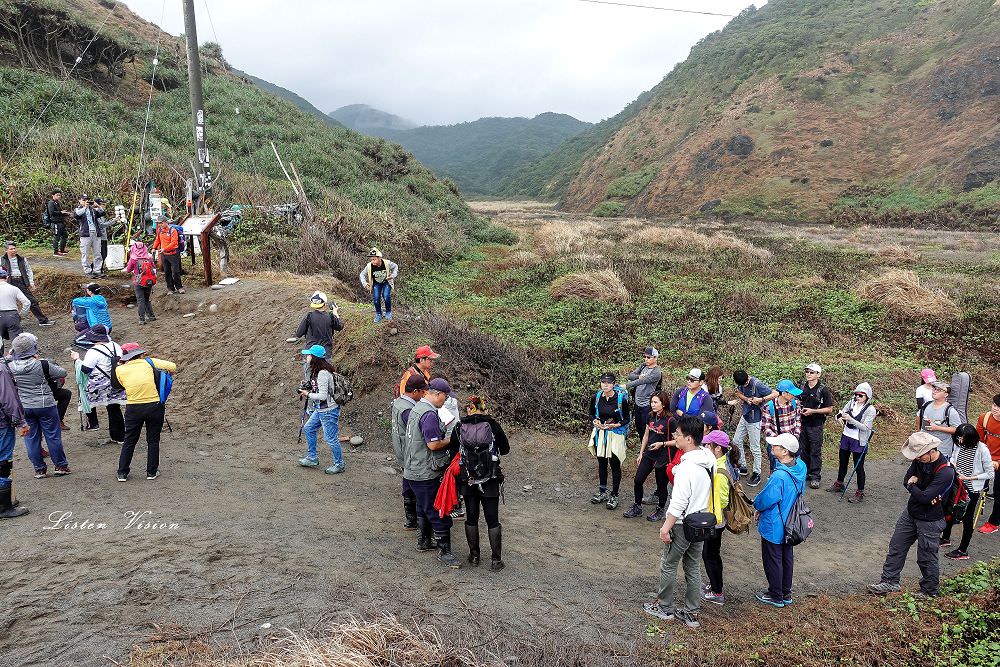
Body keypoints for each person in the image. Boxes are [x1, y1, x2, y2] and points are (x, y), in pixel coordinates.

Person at [642, 415, 715, 629]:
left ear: (690, 439)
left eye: (678, 435)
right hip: (701, 521)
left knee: (669, 564)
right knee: (693, 566)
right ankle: (691, 612)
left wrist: (666, 528)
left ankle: (664, 608)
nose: (675, 437)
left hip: (683, 523)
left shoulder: (687, 468)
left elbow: (678, 503)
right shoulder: (707, 458)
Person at [869, 432, 956, 597]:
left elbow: (924, 497)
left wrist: (912, 486)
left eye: (919, 455)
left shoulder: (946, 472)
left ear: (931, 451)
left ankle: (930, 591)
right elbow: (906, 479)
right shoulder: (919, 461)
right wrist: (913, 486)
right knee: (896, 546)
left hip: (930, 520)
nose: (916, 458)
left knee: (927, 556)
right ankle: (889, 582)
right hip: (910, 513)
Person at [402, 377, 461, 568]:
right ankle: (445, 551)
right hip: (424, 470)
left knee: (423, 506)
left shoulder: (417, 408)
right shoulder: (428, 414)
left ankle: (424, 541)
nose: (446, 401)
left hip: (412, 468)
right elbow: (433, 444)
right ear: (438, 394)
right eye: (445, 397)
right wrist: (452, 439)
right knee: (438, 509)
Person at [450, 395, 510, 570]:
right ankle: (496, 561)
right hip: (490, 479)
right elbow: (505, 450)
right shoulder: (493, 426)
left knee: (471, 517)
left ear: (469, 409)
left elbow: (453, 450)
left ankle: (474, 556)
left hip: (468, 480)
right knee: (493, 520)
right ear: (485, 409)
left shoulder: (460, 426)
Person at [753, 432, 806, 607]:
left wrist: (757, 507)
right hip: (792, 522)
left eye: (776, 446)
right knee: (786, 557)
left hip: (775, 524)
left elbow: (766, 499)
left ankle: (775, 595)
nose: (772, 447)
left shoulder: (779, 477)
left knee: (772, 559)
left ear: (785, 452)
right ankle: (786, 593)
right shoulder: (801, 467)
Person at [8, 333, 70, 478]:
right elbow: (63, 372)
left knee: (31, 439)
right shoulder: (42, 364)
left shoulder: (9, 367)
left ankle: (39, 469)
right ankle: (60, 466)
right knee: (53, 436)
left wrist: (10, 356)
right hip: (45, 404)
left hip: (25, 406)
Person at [114, 343, 176, 482]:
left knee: (129, 440)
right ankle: (151, 472)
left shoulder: (120, 369)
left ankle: (122, 472)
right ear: (140, 353)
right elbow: (172, 366)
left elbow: (120, 385)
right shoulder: (149, 362)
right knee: (153, 440)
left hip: (133, 408)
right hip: (154, 406)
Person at [940, 424, 993, 560]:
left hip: (971, 490)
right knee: (950, 510)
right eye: (958, 437)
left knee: (967, 518)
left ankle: (963, 550)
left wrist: (970, 478)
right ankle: (945, 538)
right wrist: (953, 464)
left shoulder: (982, 449)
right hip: (957, 485)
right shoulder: (959, 445)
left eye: (963, 438)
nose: (960, 440)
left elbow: (990, 473)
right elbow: (953, 457)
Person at [69, 325, 125, 444]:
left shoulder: (93, 351)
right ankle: (119, 437)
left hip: (99, 385)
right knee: (114, 409)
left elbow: (85, 370)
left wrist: (77, 359)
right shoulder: (116, 345)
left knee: (84, 396)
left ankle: (93, 423)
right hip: (116, 381)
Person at [296, 345, 345, 474]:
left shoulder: (322, 373)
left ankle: (339, 464)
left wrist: (307, 394)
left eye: (309, 355)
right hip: (321, 409)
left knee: (331, 439)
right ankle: (312, 457)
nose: (306, 357)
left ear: (314, 358)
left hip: (328, 410)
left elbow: (323, 396)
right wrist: (308, 389)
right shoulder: (318, 371)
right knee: (309, 428)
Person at [624, 391, 672, 522]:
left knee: (661, 485)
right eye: (652, 402)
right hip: (649, 454)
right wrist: (641, 453)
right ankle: (637, 507)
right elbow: (646, 435)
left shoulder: (670, 420)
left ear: (663, 403)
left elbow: (678, 441)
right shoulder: (650, 416)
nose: (653, 405)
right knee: (638, 480)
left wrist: (662, 444)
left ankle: (661, 509)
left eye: (656, 402)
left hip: (663, 456)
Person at [588, 372, 631, 510]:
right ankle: (603, 491)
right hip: (601, 433)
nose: (605, 385)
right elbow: (591, 413)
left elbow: (626, 419)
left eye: (608, 383)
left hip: (615, 434)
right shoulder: (596, 397)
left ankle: (614, 495)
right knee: (601, 462)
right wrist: (595, 421)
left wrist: (616, 425)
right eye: (603, 382)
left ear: (613, 384)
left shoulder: (620, 399)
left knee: (614, 464)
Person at [827, 383, 876, 503]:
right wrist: (838, 417)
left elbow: (865, 427)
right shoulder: (851, 402)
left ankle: (860, 492)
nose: (857, 397)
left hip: (859, 440)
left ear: (867, 397)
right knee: (842, 462)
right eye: (856, 394)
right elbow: (841, 413)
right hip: (846, 437)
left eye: (861, 395)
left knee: (858, 467)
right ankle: (839, 483)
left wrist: (850, 419)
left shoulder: (870, 409)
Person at [728, 370, 778, 487]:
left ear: (747, 378)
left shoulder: (757, 384)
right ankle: (743, 466)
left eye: (745, 384)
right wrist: (746, 399)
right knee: (736, 441)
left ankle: (757, 473)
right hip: (745, 416)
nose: (744, 386)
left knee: (754, 447)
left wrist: (760, 400)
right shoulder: (740, 382)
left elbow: (775, 393)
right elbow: (738, 393)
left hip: (755, 419)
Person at [392, 374, 428, 532]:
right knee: (414, 486)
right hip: (409, 451)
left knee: (407, 482)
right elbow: (416, 429)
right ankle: (414, 520)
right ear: (415, 391)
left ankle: (410, 520)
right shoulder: (408, 409)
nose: (424, 395)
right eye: (422, 392)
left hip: (401, 449)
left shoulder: (398, 403)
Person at [701, 429, 733, 605]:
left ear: (718, 448)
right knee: (713, 554)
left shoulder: (719, 472)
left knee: (709, 555)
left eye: (708, 445)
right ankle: (716, 585)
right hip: (716, 521)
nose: (705, 447)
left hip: (715, 521)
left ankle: (717, 592)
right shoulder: (719, 464)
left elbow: (721, 500)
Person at [0, 355, 30, 519]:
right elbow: (8, 399)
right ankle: (4, 507)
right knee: (3, 463)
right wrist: (20, 422)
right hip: (1, 424)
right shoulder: (1, 370)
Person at [798, 363, 834, 489]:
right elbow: (797, 399)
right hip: (802, 423)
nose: (808, 374)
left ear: (818, 374)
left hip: (816, 424)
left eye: (811, 372)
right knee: (803, 450)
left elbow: (829, 409)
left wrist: (813, 411)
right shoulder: (802, 386)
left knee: (815, 451)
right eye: (807, 371)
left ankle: (815, 476)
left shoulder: (823, 389)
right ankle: (806, 473)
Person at [290, 291, 343, 376]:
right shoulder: (330, 316)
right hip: (325, 354)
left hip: (310, 353)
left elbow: (299, 333)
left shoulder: (309, 316)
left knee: (309, 381)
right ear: (324, 304)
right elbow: (340, 326)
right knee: (325, 380)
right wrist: (335, 312)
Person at [2, 242, 52, 325]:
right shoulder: (2, 260)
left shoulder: (22, 259)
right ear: (6, 250)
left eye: (14, 248)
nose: (14, 250)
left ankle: (42, 320)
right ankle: (9, 323)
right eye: (11, 249)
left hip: (20, 281)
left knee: (32, 301)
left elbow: (29, 270)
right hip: (8, 282)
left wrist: (31, 282)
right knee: (8, 302)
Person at [761, 379, 802, 474]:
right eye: (792, 393)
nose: (794, 395)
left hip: (792, 442)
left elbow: (798, 421)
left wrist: (795, 437)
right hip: (776, 444)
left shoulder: (795, 403)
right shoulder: (769, 406)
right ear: (784, 393)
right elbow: (765, 427)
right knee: (776, 467)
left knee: (794, 466)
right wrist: (779, 440)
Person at [625, 348, 662, 444]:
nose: (646, 359)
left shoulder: (656, 372)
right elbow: (631, 376)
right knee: (639, 428)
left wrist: (626, 386)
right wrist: (638, 376)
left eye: (648, 357)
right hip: (638, 403)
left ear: (655, 358)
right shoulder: (643, 366)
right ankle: (643, 448)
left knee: (647, 428)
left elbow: (643, 381)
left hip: (647, 404)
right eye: (644, 357)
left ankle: (648, 449)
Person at [976, 395, 1000, 534]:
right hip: (986, 457)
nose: (995, 409)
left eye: (998, 407)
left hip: (998, 461)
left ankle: (994, 522)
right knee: (970, 484)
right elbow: (978, 441)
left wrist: (997, 462)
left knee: (998, 491)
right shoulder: (985, 418)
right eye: (994, 405)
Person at [917, 380, 960, 459]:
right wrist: (918, 434)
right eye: (934, 389)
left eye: (939, 390)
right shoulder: (926, 405)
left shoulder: (950, 411)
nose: (934, 391)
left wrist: (937, 428)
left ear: (946, 394)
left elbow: (956, 429)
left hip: (942, 450)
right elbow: (919, 417)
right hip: (924, 448)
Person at [359, 247, 398, 323]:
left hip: (386, 281)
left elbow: (395, 266)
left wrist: (393, 275)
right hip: (376, 283)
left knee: (386, 295)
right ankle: (379, 314)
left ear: (379, 258)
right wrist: (365, 283)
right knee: (376, 298)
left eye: (374, 259)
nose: (373, 261)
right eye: (371, 259)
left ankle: (388, 312)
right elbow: (362, 274)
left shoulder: (387, 263)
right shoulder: (369, 266)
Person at [123, 240, 157, 324]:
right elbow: (153, 267)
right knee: (147, 299)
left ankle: (142, 319)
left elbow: (128, 270)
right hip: (148, 281)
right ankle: (151, 316)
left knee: (140, 300)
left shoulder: (133, 258)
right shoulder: (148, 257)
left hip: (138, 282)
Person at [0, 268, 30, 357]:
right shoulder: (14, 288)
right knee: (16, 341)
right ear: (7, 277)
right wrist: (21, 315)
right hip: (12, 316)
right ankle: (18, 362)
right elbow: (27, 302)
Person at [71, 283, 112, 348]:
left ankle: (102, 342)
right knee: (78, 326)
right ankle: (96, 336)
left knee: (77, 340)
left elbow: (75, 301)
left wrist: (84, 298)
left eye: (87, 290)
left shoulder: (90, 302)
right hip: (107, 327)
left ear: (90, 292)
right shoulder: (101, 298)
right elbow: (91, 300)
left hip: (100, 328)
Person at [152, 215, 184, 294]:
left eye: (161, 223)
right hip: (164, 255)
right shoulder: (160, 230)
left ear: (166, 222)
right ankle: (170, 289)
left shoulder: (173, 231)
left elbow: (174, 243)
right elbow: (157, 240)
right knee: (167, 271)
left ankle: (179, 287)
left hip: (173, 254)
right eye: (158, 223)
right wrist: (154, 248)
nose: (160, 225)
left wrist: (164, 248)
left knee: (175, 271)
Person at [74, 194, 104, 276]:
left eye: (87, 200)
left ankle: (97, 270)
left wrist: (98, 205)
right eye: (83, 200)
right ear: (80, 201)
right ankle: (87, 270)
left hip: (95, 233)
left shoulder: (93, 210)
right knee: (85, 253)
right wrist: (85, 207)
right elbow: (77, 215)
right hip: (85, 234)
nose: (86, 201)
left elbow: (102, 213)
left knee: (98, 253)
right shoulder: (78, 209)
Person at [47, 190, 70, 257]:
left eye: (60, 195)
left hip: (61, 222)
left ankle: (62, 250)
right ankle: (55, 252)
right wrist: (61, 212)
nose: (59, 196)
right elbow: (51, 212)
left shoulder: (57, 203)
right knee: (57, 237)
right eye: (57, 195)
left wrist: (66, 214)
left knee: (65, 235)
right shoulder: (51, 203)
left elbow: (59, 212)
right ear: (53, 195)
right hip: (55, 223)